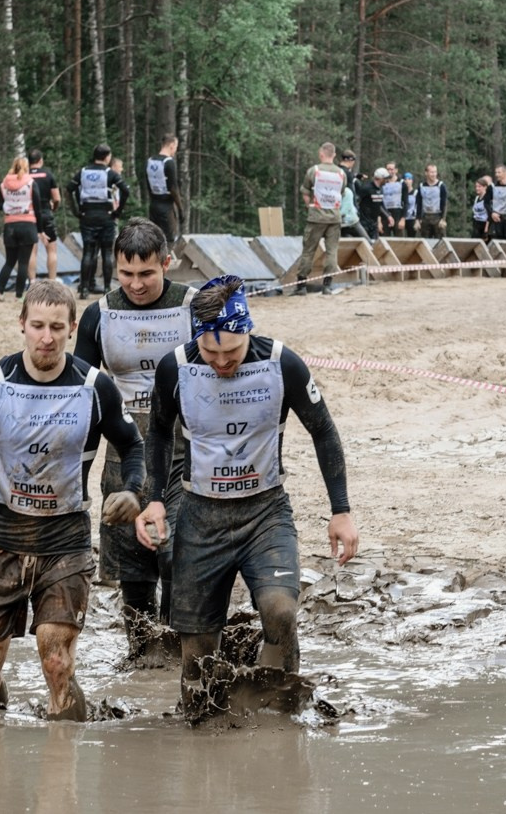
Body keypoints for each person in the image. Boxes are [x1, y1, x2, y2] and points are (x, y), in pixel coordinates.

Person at [133, 275, 359, 715]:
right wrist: (155, 499)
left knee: (280, 611)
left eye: (231, 351)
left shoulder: (281, 364)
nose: (221, 362)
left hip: (265, 512)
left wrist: (341, 511)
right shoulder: (174, 368)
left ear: (248, 331)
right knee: (197, 648)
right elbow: (158, 433)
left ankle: (281, 713)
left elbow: (324, 432)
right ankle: (202, 728)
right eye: (210, 351)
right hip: (200, 515)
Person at [0, 280, 144, 718]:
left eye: (57, 328)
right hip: (2, 537)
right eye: (38, 326)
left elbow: (133, 444)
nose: (47, 337)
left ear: (72, 328)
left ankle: (61, 773)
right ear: (22, 324)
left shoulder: (94, 386)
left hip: (65, 540)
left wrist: (132, 490)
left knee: (56, 659)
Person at [73, 218, 196, 661]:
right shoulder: (98, 314)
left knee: (175, 553)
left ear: (167, 263)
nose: (137, 284)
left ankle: (181, 648)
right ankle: (143, 654)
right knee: (133, 566)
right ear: (115, 267)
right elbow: (80, 397)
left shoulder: (192, 307)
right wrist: (78, 478)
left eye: (147, 274)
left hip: (188, 446)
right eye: (126, 274)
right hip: (124, 448)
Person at [67, 144, 129, 299]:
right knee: (107, 252)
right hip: (106, 217)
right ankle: (107, 288)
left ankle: (84, 289)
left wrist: (76, 210)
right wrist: (117, 212)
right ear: (107, 157)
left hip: (87, 216)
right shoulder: (110, 173)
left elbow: (69, 188)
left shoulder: (83, 172)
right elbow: (126, 190)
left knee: (88, 252)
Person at [292, 142, 347, 295]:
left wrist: (309, 205)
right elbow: (341, 193)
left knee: (309, 251)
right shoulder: (341, 173)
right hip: (334, 218)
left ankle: (301, 285)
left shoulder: (313, 171)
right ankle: (327, 285)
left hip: (316, 217)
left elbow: (305, 192)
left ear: (321, 154)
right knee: (332, 251)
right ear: (334, 155)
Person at [0, 157, 43, 303]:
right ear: (26, 167)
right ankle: (18, 296)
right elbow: (38, 207)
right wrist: (40, 230)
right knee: (23, 262)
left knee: (9, 262)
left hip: (10, 225)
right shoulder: (30, 183)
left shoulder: (4, 184)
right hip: (27, 225)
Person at [28, 149, 63, 285]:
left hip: (30, 215)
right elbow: (57, 198)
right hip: (46, 213)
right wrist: (53, 208)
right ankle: (52, 280)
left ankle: (32, 281)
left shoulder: (24, 175)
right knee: (52, 249)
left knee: (32, 250)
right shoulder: (48, 174)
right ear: (40, 160)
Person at [146, 133, 184, 244]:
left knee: (154, 240)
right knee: (168, 240)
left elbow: (148, 184)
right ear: (172, 145)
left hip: (153, 205)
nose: (175, 151)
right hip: (166, 206)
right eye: (176, 147)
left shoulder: (150, 161)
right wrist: (180, 209)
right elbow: (173, 188)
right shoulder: (169, 162)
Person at [354, 167, 392, 243]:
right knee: (365, 244)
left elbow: (380, 205)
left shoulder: (380, 189)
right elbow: (356, 201)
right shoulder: (366, 188)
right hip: (364, 223)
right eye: (385, 178)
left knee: (375, 245)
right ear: (380, 178)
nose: (387, 180)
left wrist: (388, 216)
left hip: (374, 223)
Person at [414, 164, 448, 238]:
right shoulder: (421, 186)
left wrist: (443, 219)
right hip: (425, 217)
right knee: (425, 243)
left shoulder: (441, 186)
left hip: (437, 217)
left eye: (435, 172)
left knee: (440, 243)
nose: (433, 174)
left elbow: (444, 203)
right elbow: (418, 204)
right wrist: (417, 219)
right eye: (431, 172)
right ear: (426, 173)